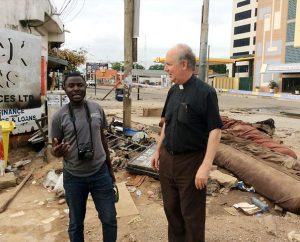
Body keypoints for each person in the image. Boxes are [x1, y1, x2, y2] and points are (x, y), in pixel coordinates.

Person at [151, 44, 223, 242]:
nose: (165, 68)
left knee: (192, 216)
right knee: (171, 211)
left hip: (191, 164)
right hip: (168, 161)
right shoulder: (173, 91)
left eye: (168, 64)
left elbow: (215, 131)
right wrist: (157, 151)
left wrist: (206, 166)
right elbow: (167, 123)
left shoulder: (205, 93)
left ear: (183, 64)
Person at [51, 72, 117, 242]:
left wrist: (110, 170)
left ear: (85, 86)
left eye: (79, 85)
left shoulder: (97, 109)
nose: (76, 89)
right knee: (75, 223)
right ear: (64, 89)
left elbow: (103, 139)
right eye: (71, 86)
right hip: (73, 177)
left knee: (109, 219)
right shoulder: (59, 116)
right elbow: (54, 147)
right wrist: (56, 152)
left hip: (100, 173)